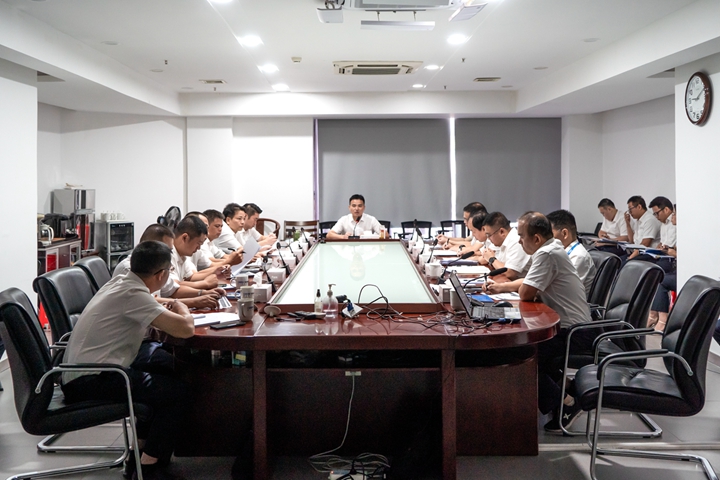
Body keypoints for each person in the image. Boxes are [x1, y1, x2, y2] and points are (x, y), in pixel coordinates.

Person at [61, 240, 194, 480]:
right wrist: (181, 306)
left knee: (163, 369)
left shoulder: (122, 283)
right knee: (177, 393)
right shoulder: (133, 294)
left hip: (84, 372)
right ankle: (150, 468)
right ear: (162, 274)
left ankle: (139, 455)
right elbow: (185, 329)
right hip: (91, 379)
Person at [484, 212, 592, 433]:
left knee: (521, 355)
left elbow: (526, 292)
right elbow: (530, 281)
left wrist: (517, 289)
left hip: (573, 333)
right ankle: (569, 391)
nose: (519, 241)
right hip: (574, 327)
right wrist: (501, 287)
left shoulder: (547, 254)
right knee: (526, 349)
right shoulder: (551, 248)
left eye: (522, 236)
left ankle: (565, 406)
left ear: (536, 238)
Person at [113, 224, 223, 309]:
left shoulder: (156, 266)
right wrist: (194, 302)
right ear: (150, 245)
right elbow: (148, 302)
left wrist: (203, 293)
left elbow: (172, 289)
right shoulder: (130, 268)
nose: (170, 254)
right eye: (168, 249)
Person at [547, 209, 596, 295]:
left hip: (569, 302)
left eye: (550, 235)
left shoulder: (578, 256)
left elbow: (562, 290)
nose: (547, 239)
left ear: (564, 233)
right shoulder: (561, 252)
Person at [647, 199, 677, 331]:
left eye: (674, 214)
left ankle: (659, 318)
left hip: (673, 262)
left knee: (658, 276)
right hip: (669, 259)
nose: (673, 217)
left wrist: (671, 251)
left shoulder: (681, 228)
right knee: (649, 270)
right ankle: (654, 315)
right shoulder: (663, 224)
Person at [170, 216, 224, 290]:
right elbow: (174, 285)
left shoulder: (182, 254)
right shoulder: (167, 254)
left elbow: (191, 277)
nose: (198, 248)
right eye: (198, 243)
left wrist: (215, 272)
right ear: (185, 237)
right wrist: (205, 284)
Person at [479, 212, 531, 280]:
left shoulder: (516, 241)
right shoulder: (502, 241)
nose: (488, 239)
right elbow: (484, 259)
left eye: (489, 235)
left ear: (502, 232)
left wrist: (491, 259)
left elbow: (509, 273)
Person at [624, 195, 661, 260]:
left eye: (630, 209)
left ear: (639, 207)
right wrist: (628, 223)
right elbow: (632, 241)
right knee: (618, 260)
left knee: (626, 263)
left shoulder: (649, 220)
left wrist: (631, 257)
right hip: (638, 253)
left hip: (648, 254)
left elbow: (645, 244)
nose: (629, 212)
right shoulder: (638, 220)